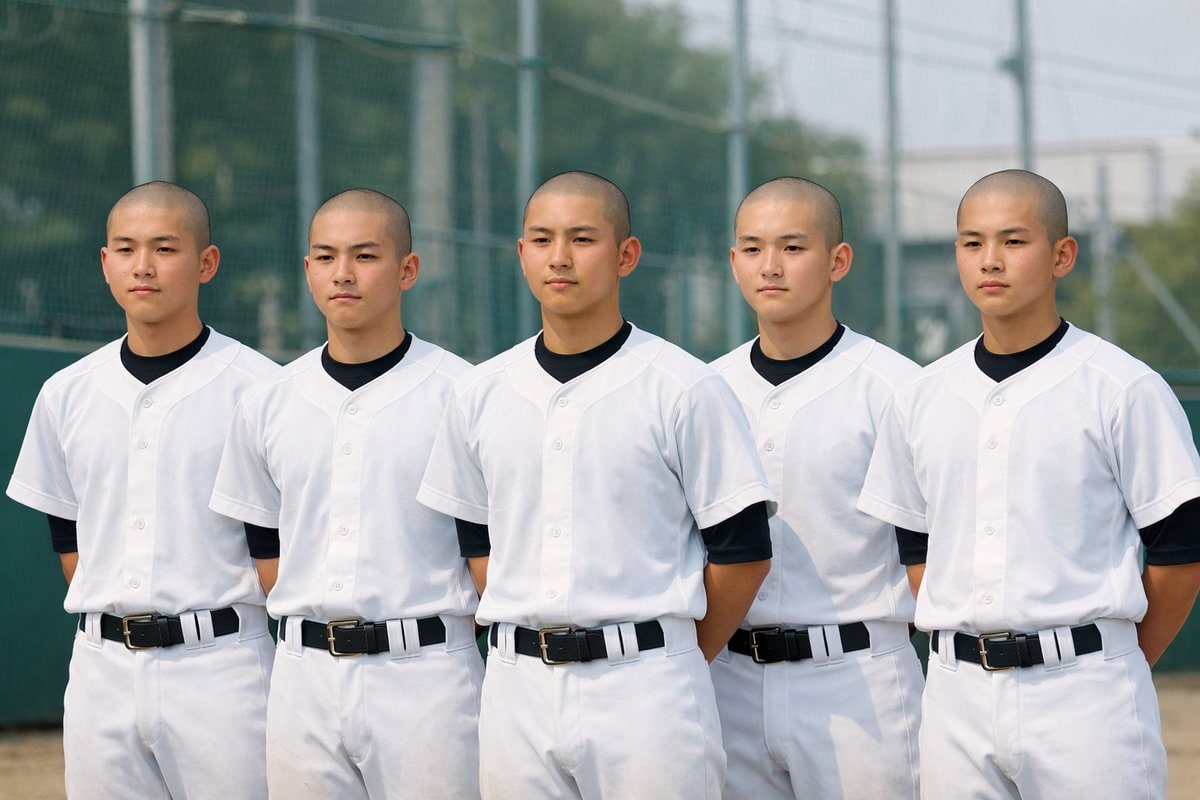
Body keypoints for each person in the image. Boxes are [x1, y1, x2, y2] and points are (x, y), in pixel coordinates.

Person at [417, 170, 775, 799]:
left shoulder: (683, 387)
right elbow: (476, 537)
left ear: (625, 255)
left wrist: (676, 655)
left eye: (582, 238)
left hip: (647, 686)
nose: (559, 257)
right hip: (517, 685)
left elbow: (743, 552)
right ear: (521, 253)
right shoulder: (480, 392)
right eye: (541, 239)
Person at [858, 168, 1200, 799]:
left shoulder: (1121, 387)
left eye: (1014, 241)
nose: (990, 260)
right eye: (971, 242)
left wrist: (1116, 664)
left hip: (1086, 689)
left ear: (1062, 255)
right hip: (956, 691)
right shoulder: (921, 397)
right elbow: (915, 547)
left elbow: (1181, 554)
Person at [208, 188, 482, 799]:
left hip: (428, 672)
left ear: (407, 269)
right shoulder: (268, 401)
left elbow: (485, 550)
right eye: (326, 257)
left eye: (365, 256)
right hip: (304, 675)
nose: (343, 274)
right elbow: (265, 550)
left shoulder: (463, 394)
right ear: (307, 269)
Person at [6, 181, 276, 798]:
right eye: (125, 249)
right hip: (102, 667)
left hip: (224, 665)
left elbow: (277, 551)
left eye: (165, 248)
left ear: (206, 262)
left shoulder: (261, 389)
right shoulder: (66, 391)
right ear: (105, 264)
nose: (143, 266)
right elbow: (69, 542)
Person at [709, 176, 922, 799]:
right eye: (751, 248)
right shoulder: (702, 389)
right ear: (733, 261)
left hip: (860, 679)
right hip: (730, 677)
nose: (769, 266)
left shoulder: (897, 389)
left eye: (792, 248)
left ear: (838, 260)